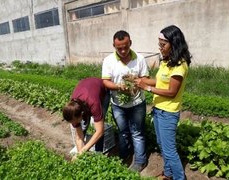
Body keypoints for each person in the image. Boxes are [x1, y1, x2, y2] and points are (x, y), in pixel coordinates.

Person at [135, 25, 191, 180]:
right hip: (158, 109)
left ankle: (180, 177)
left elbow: (172, 92)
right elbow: (160, 82)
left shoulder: (180, 65)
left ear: (174, 43)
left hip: (168, 112)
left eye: (163, 44)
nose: (160, 48)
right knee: (162, 145)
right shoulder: (167, 61)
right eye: (159, 44)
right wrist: (141, 80)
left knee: (170, 150)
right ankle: (168, 174)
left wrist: (146, 87)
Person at [102, 30, 149, 172]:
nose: (123, 50)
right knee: (123, 132)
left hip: (137, 103)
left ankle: (140, 161)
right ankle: (124, 156)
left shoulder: (139, 59)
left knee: (137, 132)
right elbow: (105, 81)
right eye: (119, 48)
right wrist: (118, 87)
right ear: (114, 46)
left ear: (130, 43)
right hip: (118, 105)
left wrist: (137, 82)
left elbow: (145, 78)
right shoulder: (108, 61)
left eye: (126, 47)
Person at [62, 77, 109, 156]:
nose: (74, 124)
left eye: (75, 122)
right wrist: (80, 154)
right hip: (86, 90)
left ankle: (99, 153)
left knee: (98, 126)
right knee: (83, 128)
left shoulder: (94, 103)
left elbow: (100, 131)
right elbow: (79, 136)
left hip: (102, 91)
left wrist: (83, 150)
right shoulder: (73, 110)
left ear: (81, 114)